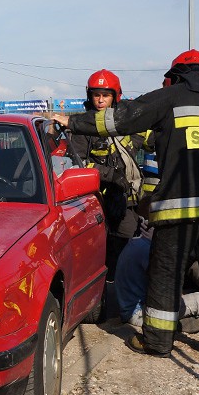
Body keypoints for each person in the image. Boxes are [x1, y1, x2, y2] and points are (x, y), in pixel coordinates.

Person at [56, 49, 199, 358]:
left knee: (166, 273)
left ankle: (158, 342)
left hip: (178, 206)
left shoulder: (170, 98)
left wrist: (71, 121)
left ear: (177, 75)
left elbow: (119, 119)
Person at [67, 69, 144, 275]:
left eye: (105, 95)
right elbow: (78, 163)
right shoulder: (82, 125)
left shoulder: (127, 123)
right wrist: (110, 175)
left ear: (115, 96)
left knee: (128, 248)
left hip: (125, 198)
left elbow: (146, 141)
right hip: (95, 199)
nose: (100, 100)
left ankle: (123, 292)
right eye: (96, 95)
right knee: (100, 252)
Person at [115, 195, 199, 334]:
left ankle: (181, 324)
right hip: (140, 314)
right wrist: (160, 244)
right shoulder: (147, 249)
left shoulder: (136, 243)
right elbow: (168, 282)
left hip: (130, 310)